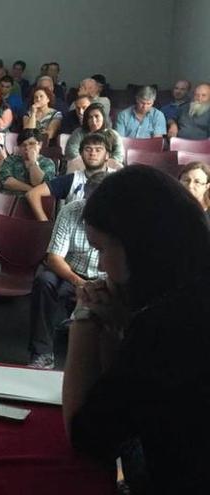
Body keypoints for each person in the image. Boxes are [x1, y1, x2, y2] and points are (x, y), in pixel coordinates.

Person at [63, 165, 210, 493]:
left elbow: (87, 435)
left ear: (141, 245)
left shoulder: (167, 324)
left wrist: (85, 318)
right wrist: (125, 323)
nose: (99, 266)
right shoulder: (189, 293)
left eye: (102, 249)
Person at [28, 172, 108, 369]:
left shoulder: (122, 221)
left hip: (105, 278)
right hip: (70, 273)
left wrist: (99, 284)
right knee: (44, 281)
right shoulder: (71, 211)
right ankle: (42, 353)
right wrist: (79, 282)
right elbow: (54, 258)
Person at [26, 133, 119, 222]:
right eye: (88, 149)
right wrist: (45, 223)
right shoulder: (72, 179)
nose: (92, 153)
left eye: (98, 150)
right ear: (81, 154)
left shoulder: (118, 179)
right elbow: (32, 194)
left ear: (107, 155)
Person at [0, 129, 57, 195]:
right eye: (23, 145)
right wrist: (32, 190)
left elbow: (37, 183)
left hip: (36, 201)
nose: (27, 147)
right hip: (8, 199)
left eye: (31, 143)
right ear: (19, 147)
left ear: (40, 145)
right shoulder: (11, 160)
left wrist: (33, 162)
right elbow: (6, 181)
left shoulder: (47, 163)